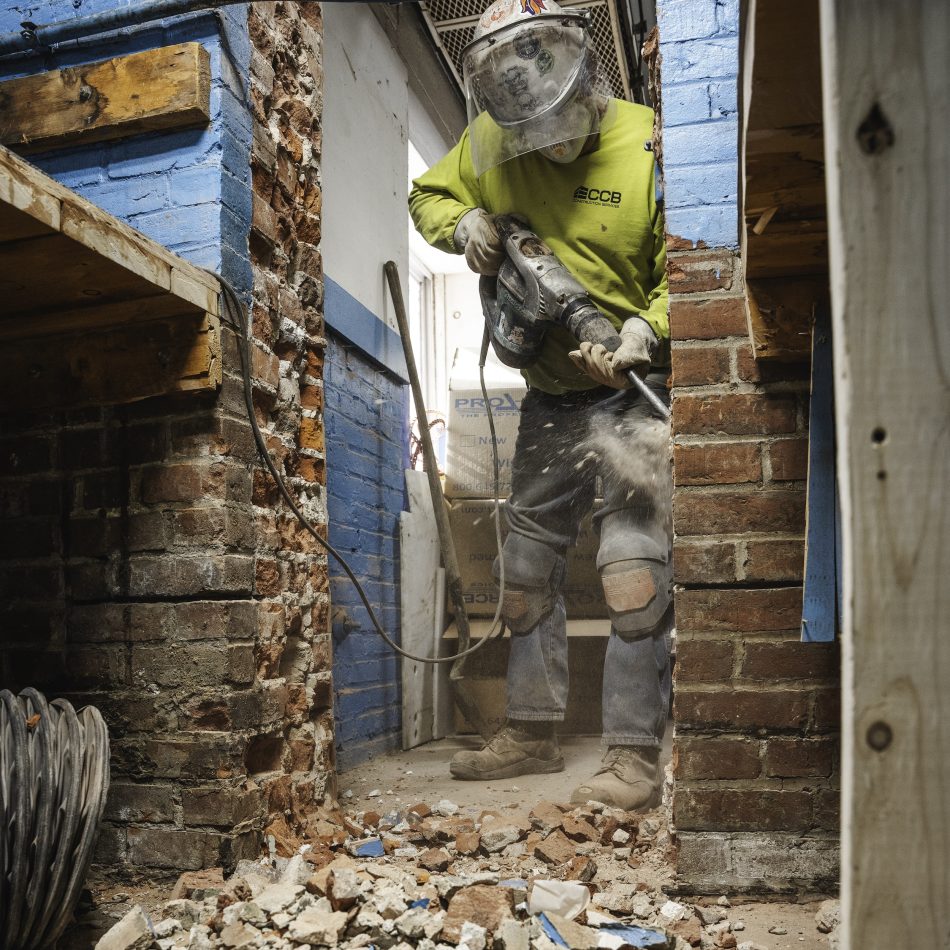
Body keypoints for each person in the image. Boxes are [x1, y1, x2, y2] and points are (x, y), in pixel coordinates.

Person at [409, 0, 672, 810]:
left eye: (557, 130)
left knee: (632, 572)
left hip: (631, 393)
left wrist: (642, 330)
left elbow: (687, 271)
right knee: (525, 572)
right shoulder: (489, 134)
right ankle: (529, 733)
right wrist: (468, 229)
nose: (544, 147)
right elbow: (427, 197)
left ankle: (632, 754)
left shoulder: (649, 138)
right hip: (551, 398)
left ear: (582, 79)